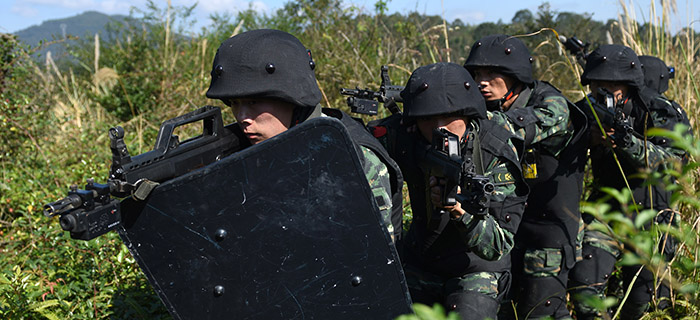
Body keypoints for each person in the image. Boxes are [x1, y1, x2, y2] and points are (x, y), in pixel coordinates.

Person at [205, 29, 404, 242]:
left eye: (253, 102)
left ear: (292, 99)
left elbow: (373, 254)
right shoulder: (242, 144)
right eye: (234, 104)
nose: (242, 117)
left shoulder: (350, 156)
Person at [370, 62, 528, 319]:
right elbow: (361, 142)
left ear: (468, 113)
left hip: (477, 267)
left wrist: (459, 211)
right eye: (429, 118)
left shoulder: (495, 151)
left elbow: (498, 245)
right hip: (422, 258)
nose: (440, 127)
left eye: (450, 116)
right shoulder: (403, 135)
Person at [463, 34, 588, 319]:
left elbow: (516, 128)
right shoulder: (490, 107)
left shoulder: (551, 103)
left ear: (515, 75)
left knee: (541, 312)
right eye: (477, 74)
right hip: (507, 231)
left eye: (491, 74)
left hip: (549, 233)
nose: (481, 81)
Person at [567, 44, 689, 320]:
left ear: (629, 84)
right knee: (587, 288)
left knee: (644, 303)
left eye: (612, 85)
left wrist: (627, 142)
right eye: (597, 84)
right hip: (607, 211)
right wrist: (587, 139)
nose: (604, 91)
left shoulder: (659, 110)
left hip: (652, 215)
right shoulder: (586, 109)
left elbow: (672, 164)